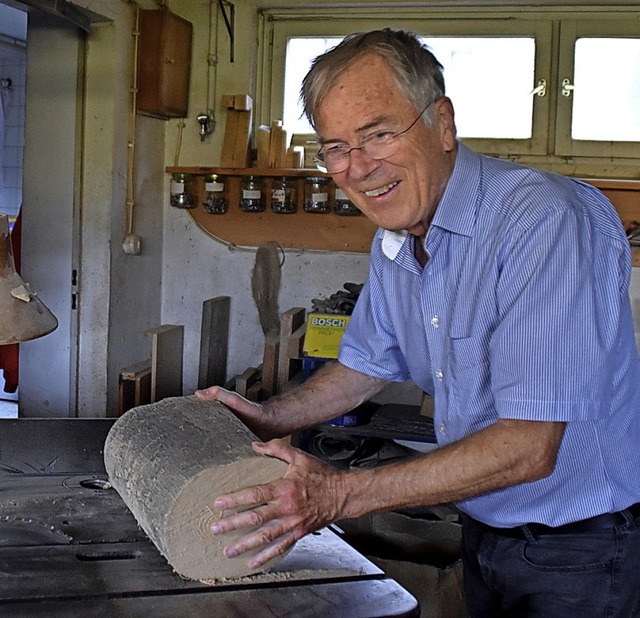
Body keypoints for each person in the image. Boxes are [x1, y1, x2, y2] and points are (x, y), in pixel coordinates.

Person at [196, 29, 640, 617]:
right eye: (334, 148)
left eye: (378, 134)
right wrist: (267, 414)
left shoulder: (541, 221)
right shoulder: (397, 239)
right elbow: (365, 365)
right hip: (485, 526)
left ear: (443, 123)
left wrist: (335, 494)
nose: (357, 167)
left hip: (579, 549)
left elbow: (531, 448)